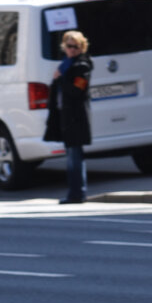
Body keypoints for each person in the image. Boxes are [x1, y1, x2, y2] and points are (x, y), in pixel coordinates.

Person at [43, 29, 92, 204]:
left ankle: (77, 193)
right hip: (65, 116)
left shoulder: (82, 66)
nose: (72, 50)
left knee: (75, 158)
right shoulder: (65, 65)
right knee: (73, 157)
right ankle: (77, 192)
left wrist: (61, 79)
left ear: (82, 47)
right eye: (69, 46)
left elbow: (77, 90)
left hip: (76, 118)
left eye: (76, 47)